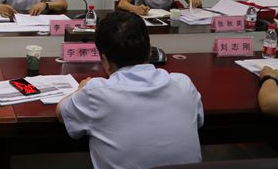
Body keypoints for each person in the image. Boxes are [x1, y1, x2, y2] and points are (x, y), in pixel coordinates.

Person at [56, 11, 204, 169]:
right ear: (150, 50)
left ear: (105, 60)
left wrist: (81, 90)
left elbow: (61, 112)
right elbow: (199, 122)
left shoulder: (96, 92)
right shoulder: (183, 84)